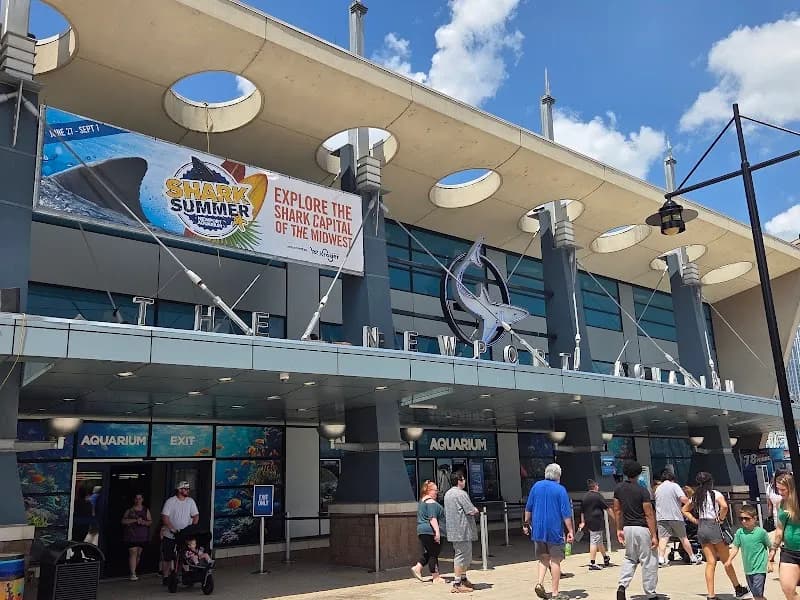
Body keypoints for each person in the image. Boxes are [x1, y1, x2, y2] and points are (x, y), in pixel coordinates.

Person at [682, 471, 751, 600]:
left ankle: (711, 595)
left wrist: (695, 521)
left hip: (702, 527)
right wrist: (721, 518)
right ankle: (738, 588)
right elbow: (724, 506)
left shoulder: (696, 496)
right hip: (713, 525)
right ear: (710, 482)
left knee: (710, 562)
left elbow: (684, 510)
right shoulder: (715, 494)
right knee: (726, 560)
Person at [524, 463, 574, 600]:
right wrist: (570, 530)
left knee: (543, 558)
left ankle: (539, 583)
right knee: (555, 561)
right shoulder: (560, 490)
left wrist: (525, 524)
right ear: (558, 475)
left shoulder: (536, 487)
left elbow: (528, 507)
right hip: (554, 530)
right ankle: (555, 593)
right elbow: (566, 513)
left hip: (538, 529)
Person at [613, 460, 658, 600]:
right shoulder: (642, 490)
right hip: (642, 528)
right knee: (648, 560)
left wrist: (619, 529)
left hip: (628, 528)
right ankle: (651, 593)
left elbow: (617, 510)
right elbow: (649, 514)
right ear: (639, 474)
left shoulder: (618, 489)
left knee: (629, 558)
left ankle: (622, 586)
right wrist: (654, 535)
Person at [725, 505, 772, 600]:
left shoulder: (761, 532)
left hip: (760, 568)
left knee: (758, 594)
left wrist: (770, 562)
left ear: (755, 518)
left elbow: (770, 547)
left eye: (746, 519)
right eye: (741, 519)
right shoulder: (739, 532)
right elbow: (735, 547)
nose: (743, 521)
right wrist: (729, 560)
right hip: (748, 569)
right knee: (756, 595)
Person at [654, 469, 700, 566]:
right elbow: (683, 499)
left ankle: (661, 559)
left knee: (663, 538)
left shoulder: (658, 488)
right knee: (683, 537)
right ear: (672, 478)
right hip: (675, 516)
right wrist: (689, 506)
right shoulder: (674, 486)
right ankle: (693, 558)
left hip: (661, 517)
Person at [444, 471, 479, 594]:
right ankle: (457, 583)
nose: (464, 481)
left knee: (464, 555)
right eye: (463, 479)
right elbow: (470, 510)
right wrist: (475, 510)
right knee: (462, 556)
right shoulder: (461, 494)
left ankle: (463, 579)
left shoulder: (447, 494)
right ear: (459, 480)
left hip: (453, 530)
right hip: (462, 530)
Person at [160, 482, 199, 584]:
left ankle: (186, 575)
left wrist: (192, 527)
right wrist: (172, 528)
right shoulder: (170, 501)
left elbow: (195, 516)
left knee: (186, 554)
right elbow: (165, 517)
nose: (187, 490)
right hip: (170, 534)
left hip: (185, 535)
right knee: (168, 557)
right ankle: (166, 577)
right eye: (185, 489)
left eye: (188, 489)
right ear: (179, 490)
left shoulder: (190, 501)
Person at [771, 472, 800, 600]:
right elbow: (779, 529)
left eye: (783, 489)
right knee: (787, 588)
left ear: (791, 487)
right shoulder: (781, 504)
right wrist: (773, 550)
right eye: (778, 489)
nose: (780, 492)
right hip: (789, 551)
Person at [411, 480, 445, 584]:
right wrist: (437, 532)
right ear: (429, 490)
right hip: (430, 531)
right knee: (434, 553)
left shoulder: (422, 501)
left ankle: (418, 567)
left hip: (422, 531)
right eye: (435, 490)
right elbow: (432, 518)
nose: (437, 492)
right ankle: (435, 577)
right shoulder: (430, 502)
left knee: (429, 552)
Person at [579, 479, 612, 570]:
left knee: (599, 540)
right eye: (597, 486)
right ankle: (592, 563)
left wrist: (582, 522)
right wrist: (615, 518)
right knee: (594, 541)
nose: (598, 487)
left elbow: (582, 511)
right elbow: (607, 508)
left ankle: (605, 557)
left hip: (588, 521)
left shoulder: (585, 497)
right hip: (597, 521)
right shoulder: (598, 496)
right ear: (595, 486)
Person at [121, 493, 152, 581]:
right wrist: (135, 520)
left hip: (142, 536)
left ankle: (133, 569)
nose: (138, 500)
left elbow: (150, 522)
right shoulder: (129, 510)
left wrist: (143, 522)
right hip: (131, 535)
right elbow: (123, 521)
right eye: (136, 498)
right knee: (133, 552)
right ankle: (133, 573)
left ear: (142, 500)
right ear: (134, 500)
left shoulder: (146, 510)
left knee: (138, 554)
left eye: (140, 498)